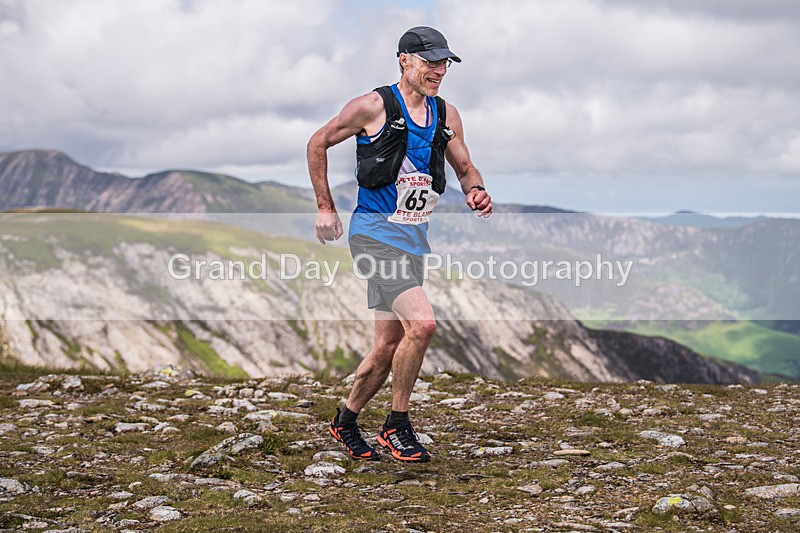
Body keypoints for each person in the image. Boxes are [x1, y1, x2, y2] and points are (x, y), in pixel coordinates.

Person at [307, 26, 492, 462]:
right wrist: (325, 207)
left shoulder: (446, 115)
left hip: (413, 240)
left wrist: (476, 189)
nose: (439, 70)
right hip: (373, 236)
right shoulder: (372, 106)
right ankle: (397, 425)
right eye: (430, 61)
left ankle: (345, 421)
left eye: (444, 62)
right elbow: (318, 142)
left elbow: (465, 167)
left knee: (389, 347)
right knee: (423, 326)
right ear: (404, 60)